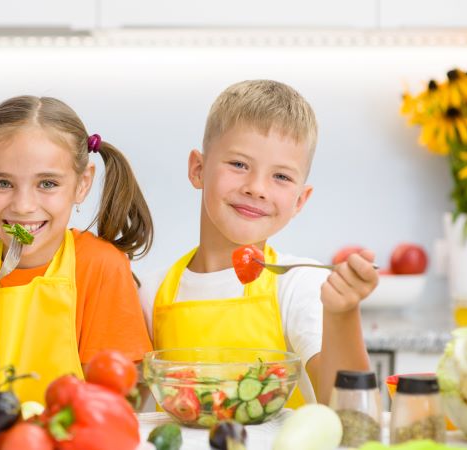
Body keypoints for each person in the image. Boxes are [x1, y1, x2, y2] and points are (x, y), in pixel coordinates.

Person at [139, 80, 378, 406]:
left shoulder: (299, 285)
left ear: (299, 200)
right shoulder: (150, 292)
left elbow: (352, 412)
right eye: (239, 164)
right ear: (198, 169)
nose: (257, 188)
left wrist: (343, 313)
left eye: (281, 176)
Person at [0, 95, 154, 402]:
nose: (23, 206)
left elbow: (120, 407)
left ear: (82, 183)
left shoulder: (101, 267)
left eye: (47, 183)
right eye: (3, 183)